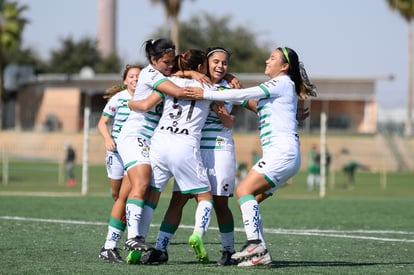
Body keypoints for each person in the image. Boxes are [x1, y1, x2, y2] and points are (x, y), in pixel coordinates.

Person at [185, 46, 317, 266]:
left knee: (243, 191)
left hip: (282, 153)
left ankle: (255, 244)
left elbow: (244, 95)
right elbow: (253, 102)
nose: (267, 60)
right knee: (249, 201)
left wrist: (206, 93)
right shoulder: (283, 86)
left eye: (272, 58)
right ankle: (259, 254)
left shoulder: (282, 82)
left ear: (284, 67)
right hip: (286, 155)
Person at [138, 46, 250, 265]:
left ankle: (227, 251)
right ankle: (161, 248)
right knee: (178, 200)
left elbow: (239, 111)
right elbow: (176, 76)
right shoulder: (199, 82)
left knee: (220, 203)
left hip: (219, 149)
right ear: (205, 65)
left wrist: (227, 99)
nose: (220, 66)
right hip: (192, 149)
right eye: (215, 62)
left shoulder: (228, 86)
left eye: (224, 63)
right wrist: (191, 75)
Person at [116, 39, 211, 263]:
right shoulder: (201, 86)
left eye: (172, 61)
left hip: (158, 142)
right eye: (208, 65)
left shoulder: (167, 78)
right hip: (179, 145)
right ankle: (197, 234)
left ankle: (138, 245)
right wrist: (207, 82)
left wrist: (188, 72)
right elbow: (175, 93)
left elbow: (155, 97)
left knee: (149, 195)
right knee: (203, 197)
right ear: (153, 60)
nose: (169, 64)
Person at [97, 64, 141, 263]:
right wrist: (107, 138)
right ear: (125, 81)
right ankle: (117, 236)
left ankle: (118, 240)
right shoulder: (118, 99)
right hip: (116, 154)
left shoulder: (146, 98)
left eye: (138, 76)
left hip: (134, 153)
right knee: (117, 196)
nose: (135, 79)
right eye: (131, 76)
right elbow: (102, 122)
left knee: (127, 195)